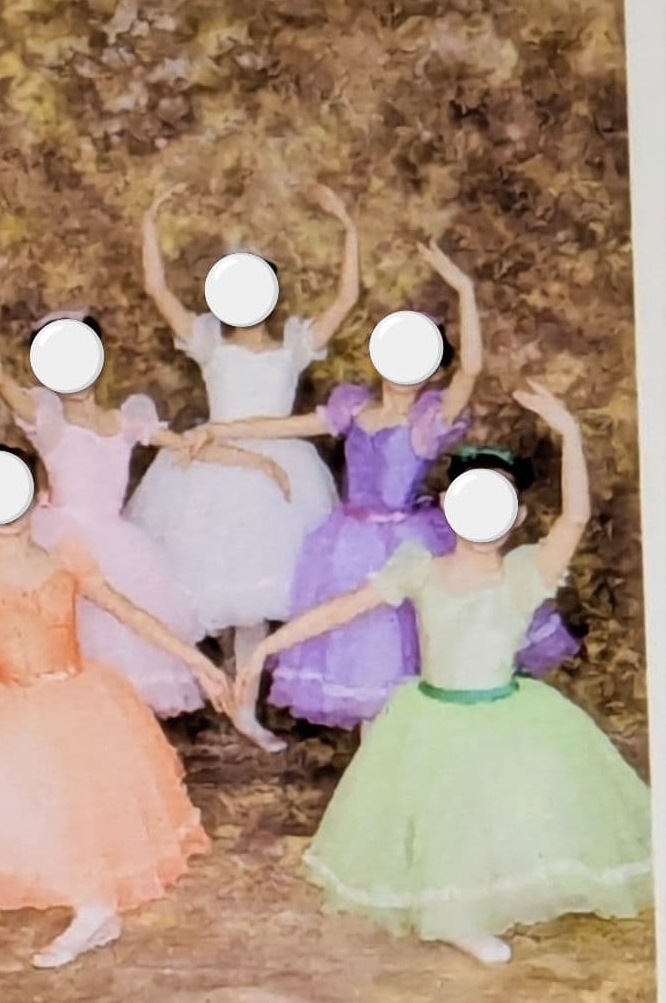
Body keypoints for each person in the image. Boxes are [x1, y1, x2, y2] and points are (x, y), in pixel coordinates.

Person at [235, 383, 651, 964]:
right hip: (432, 713)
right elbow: (341, 608)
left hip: (505, 713)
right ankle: (456, 916)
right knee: (450, 820)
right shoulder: (419, 569)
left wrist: (569, 431)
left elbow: (576, 516)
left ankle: (492, 894)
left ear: (516, 517)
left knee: (504, 811)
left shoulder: (524, 573)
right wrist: (266, 647)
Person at [0, 393, 233, 968]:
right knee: (2, 800)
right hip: (2, 698)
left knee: (78, 803)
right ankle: (80, 895)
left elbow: (130, 613)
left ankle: (94, 909)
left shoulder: (67, 557)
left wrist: (199, 662)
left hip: (76, 698)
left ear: (39, 497)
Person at [0, 260, 287, 736]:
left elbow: (187, 446)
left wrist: (255, 460)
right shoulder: (49, 422)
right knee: (57, 635)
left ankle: (101, 733)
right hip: (58, 535)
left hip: (116, 543)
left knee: (119, 637)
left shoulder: (125, 420)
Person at [192, 242, 579, 732]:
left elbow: (472, 369)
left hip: (405, 538)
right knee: (358, 643)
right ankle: (374, 750)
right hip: (348, 539)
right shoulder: (354, 408)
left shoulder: (427, 420)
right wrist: (219, 430)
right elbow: (284, 425)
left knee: (408, 648)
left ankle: (413, 739)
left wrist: (463, 288)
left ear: (432, 370)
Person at [128, 183, 359, 751]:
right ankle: (225, 697)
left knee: (259, 600)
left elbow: (347, 297)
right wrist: (151, 220)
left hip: (284, 473)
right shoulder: (209, 344)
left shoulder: (293, 347)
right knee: (216, 594)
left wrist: (346, 225)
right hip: (213, 467)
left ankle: (248, 707)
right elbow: (156, 288)